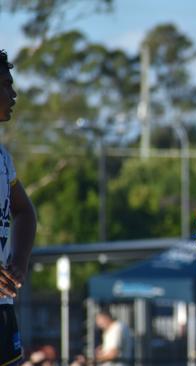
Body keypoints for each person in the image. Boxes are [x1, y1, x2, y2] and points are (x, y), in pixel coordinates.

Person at [0, 49, 38, 366]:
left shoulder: (3, 157)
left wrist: (20, 261)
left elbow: (24, 211)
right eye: (5, 85)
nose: (13, 94)